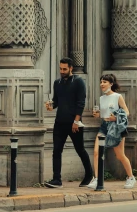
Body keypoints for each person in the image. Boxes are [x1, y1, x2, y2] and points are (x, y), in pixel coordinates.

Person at [44, 57, 93, 188]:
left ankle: (89, 175)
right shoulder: (57, 83)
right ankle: (56, 180)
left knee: (80, 149)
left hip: (74, 123)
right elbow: (56, 101)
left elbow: (81, 103)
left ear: (71, 68)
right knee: (56, 150)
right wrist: (51, 105)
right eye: (60, 68)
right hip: (59, 122)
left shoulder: (78, 82)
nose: (62, 71)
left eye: (64, 69)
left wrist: (76, 121)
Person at [86, 73, 136, 190]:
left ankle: (131, 177)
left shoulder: (117, 96)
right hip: (104, 126)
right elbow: (104, 114)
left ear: (111, 84)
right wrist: (98, 115)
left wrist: (116, 117)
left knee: (120, 155)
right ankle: (97, 178)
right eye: (101, 82)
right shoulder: (101, 98)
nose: (102, 84)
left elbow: (127, 112)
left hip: (116, 128)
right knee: (96, 151)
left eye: (104, 82)